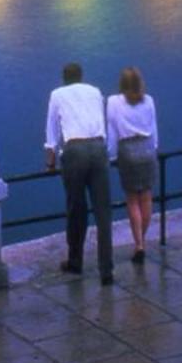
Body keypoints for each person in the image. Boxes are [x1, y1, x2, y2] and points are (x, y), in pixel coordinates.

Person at [43, 60, 114, 283]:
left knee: (76, 208)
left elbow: (52, 130)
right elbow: (102, 121)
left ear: (64, 78)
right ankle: (106, 270)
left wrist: (51, 162)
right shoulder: (95, 92)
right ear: (81, 76)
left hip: (74, 152)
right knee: (103, 212)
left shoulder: (57, 94)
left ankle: (76, 262)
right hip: (98, 148)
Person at [106, 66, 159, 264]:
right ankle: (142, 240)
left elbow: (112, 132)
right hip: (147, 149)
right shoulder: (149, 101)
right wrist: (154, 148)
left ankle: (138, 244)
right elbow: (154, 128)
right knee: (146, 197)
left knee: (132, 199)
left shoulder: (113, 102)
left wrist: (111, 156)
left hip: (127, 152)